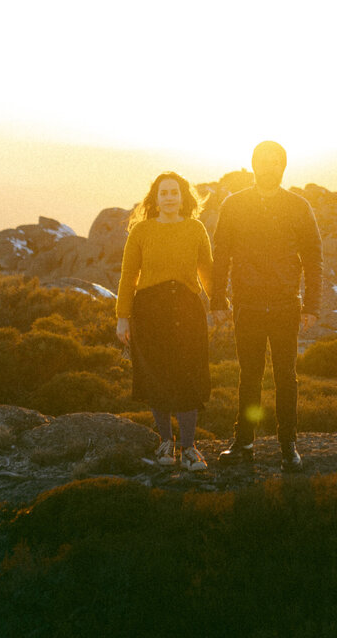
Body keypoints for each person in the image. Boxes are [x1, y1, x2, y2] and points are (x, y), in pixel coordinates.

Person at [210, 141, 323, 472]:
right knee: (249, 376)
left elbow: (314, 258)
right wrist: (218, 299)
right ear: (254, 164)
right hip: (248, 304)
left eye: (276, 161)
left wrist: (311, 305)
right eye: (263, 160)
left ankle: (288, 444)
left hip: (286, 304)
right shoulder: (235, 204)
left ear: (283, 167)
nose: (269, 166)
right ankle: (244, 442)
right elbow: (221, 254)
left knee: (286, 377)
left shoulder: (298, 206)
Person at [116, 171, 214, 472]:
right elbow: (129, 276)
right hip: (149, 310)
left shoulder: (196, 228)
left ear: (183, 197)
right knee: (155, 375)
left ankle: (189, 448)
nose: (170, 197)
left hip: (187, 308)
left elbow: (207, 271)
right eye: (164, 193)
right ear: (155, 199)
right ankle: (165, 443)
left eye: (174, 192)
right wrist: (123, 317)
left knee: (188, 376)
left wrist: (220, 305)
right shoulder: (141, 231)